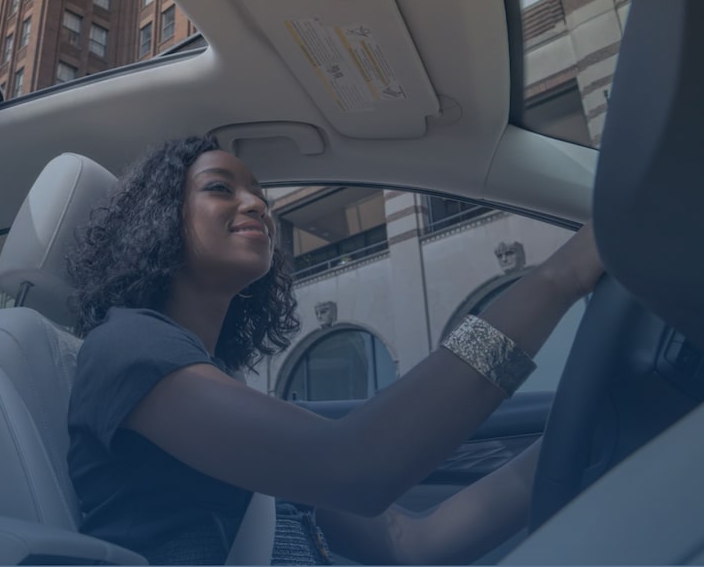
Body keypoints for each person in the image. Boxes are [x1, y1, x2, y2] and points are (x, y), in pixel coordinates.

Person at [63, 135, 604, 565]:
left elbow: (408, 544)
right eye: (220, 188)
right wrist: (562, 275)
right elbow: (356, 467)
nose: (256, 203)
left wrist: (592, 435)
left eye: (259, 194)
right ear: (159, 220)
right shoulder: (126, 346)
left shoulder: (215, 381)